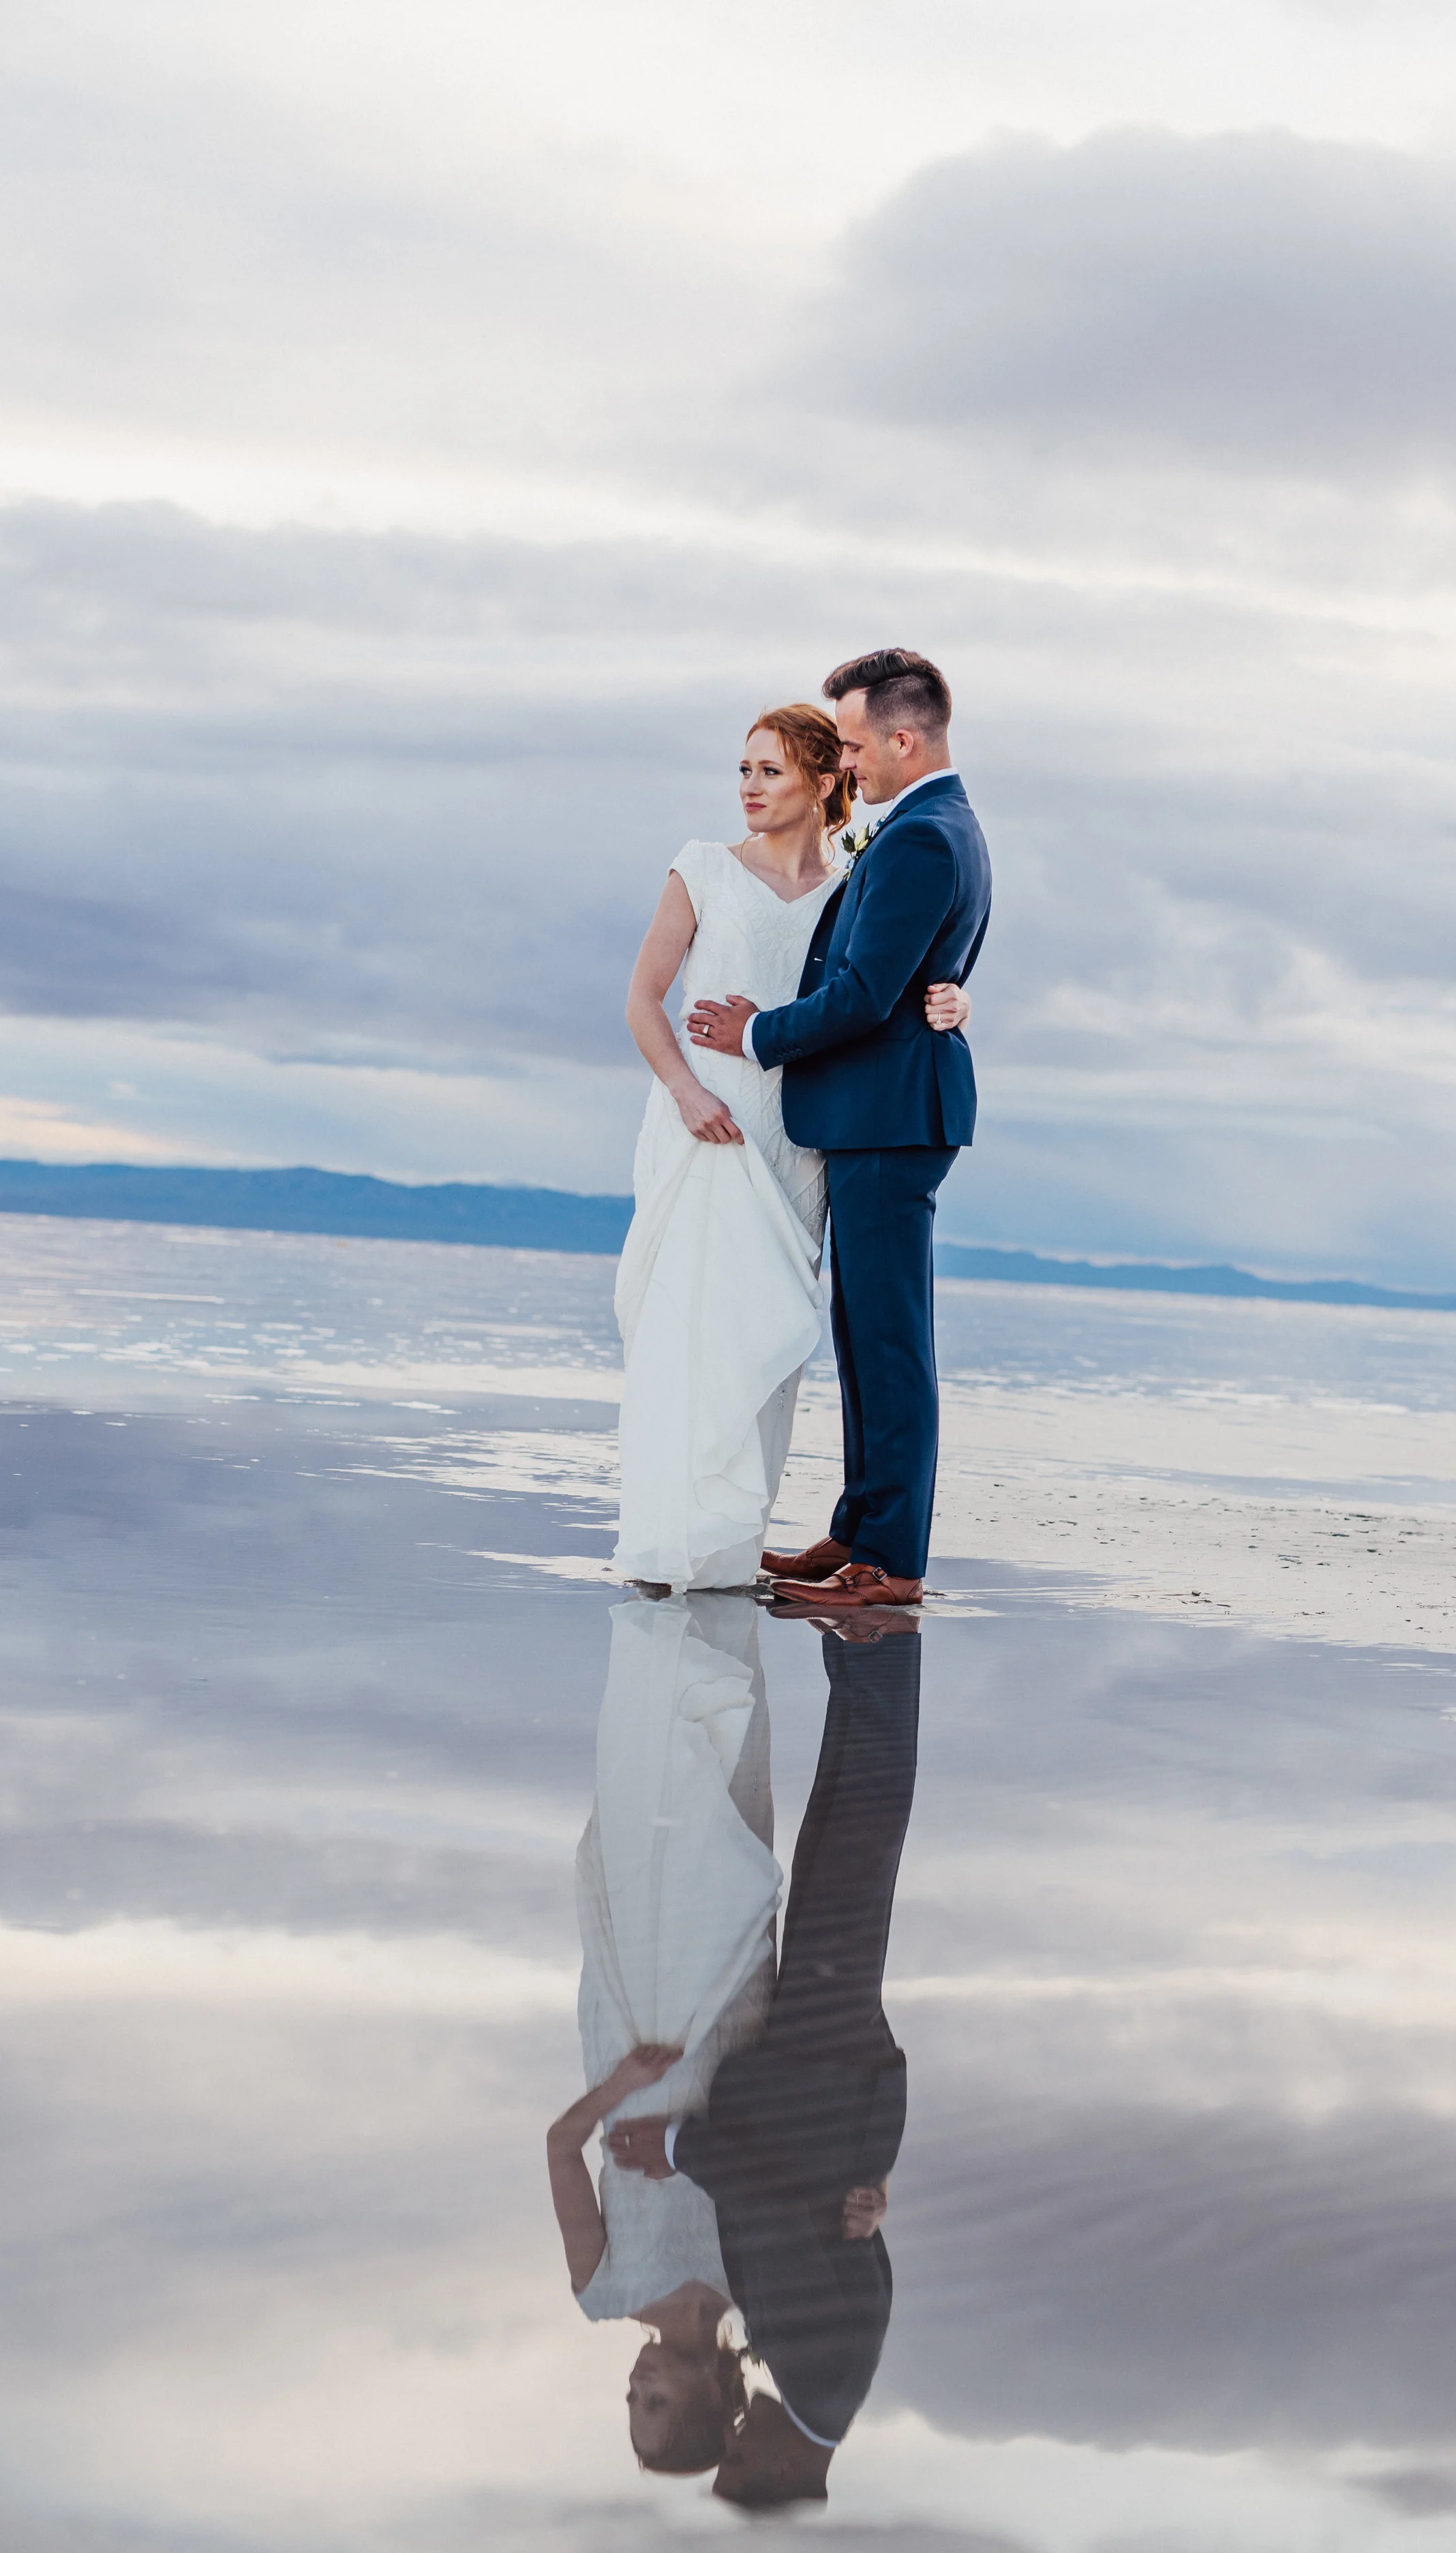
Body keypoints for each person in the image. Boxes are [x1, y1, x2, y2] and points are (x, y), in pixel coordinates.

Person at [614, 704, 970, 1592]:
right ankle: (671, 1539)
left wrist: (954, 997)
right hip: (707, 1124)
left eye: (771, 771)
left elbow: (880, 984)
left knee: (769, 1340)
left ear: (822, 784)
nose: (748, 787)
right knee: (689, 1331)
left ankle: (734, 1540)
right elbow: (643, 1002)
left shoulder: (853, 878)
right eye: (743, 770)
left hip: (798, 1136)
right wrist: (689, 1092)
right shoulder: (700, 868)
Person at [607, 1611, 922, 2507]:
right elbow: (777, 2212)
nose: (738, 2441)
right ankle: (885, 1642)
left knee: (844, 1833)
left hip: (831, 2081)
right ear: (788, 2473)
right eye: (745, 2462)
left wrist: (868, 2191)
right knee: (861, 1834)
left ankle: (869, 1646)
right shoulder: (814, 2374)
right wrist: (672, 2150)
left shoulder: (832, 2386)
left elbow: (859, 2250)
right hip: (821, 2069)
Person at [547, 1595, 783, 2474]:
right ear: (713, 2398)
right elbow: (792, 2162)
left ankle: (654, 1642)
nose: (638, 2381)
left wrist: (620, 2085)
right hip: (732, 2023)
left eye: (631, 2400)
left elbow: (562, 2147)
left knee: (639, 1844)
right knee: (732, 1847)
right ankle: (727, 1629)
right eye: (656, 2401)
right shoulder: (759, 2286)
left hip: (629, 2029)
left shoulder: (602, 2292)